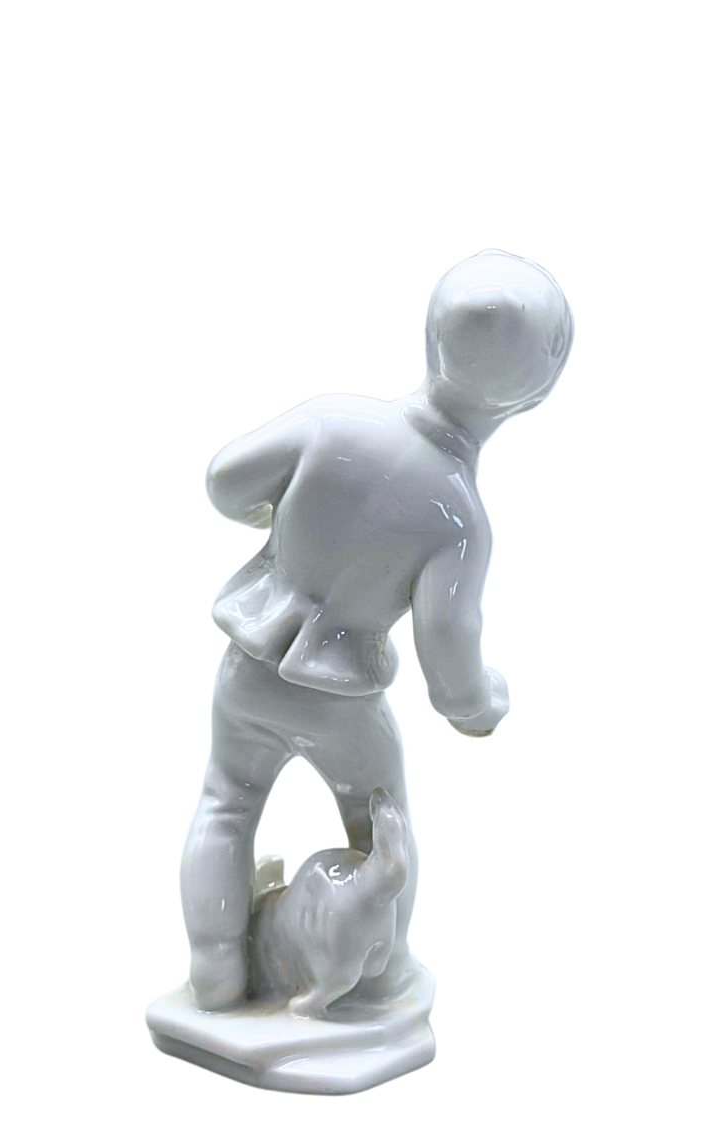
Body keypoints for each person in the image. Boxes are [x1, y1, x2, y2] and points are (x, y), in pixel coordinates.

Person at [181, 249, 574, 1009]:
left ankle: (216, 968)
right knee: (382, 827)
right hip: (342, 700)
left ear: (429, 337)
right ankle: (382, 973)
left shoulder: (333, 420)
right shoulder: (459, 520)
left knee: (226, 801)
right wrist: (477, 704)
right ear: (535, 394)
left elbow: (226, 481)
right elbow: (448, 646)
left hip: (249, 663)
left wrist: (283, 522)